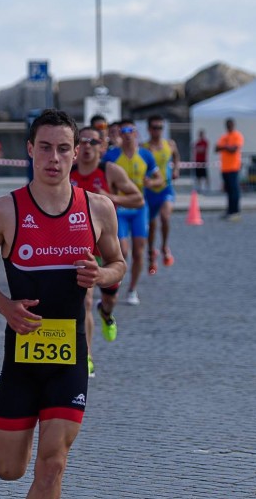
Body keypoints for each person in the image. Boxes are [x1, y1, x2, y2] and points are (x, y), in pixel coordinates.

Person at [0, 109, 125, 499]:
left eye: (64, 148)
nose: (54, 158)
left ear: (76, 152)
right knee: (10, 471)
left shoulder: (97, 207)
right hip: (21, 357)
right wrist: (6, 308)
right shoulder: (5, 210)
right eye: (45, 148)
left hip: (69, 357)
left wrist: (101, 278)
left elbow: (117, 262)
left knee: (52, 465)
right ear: (30, 150)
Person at [69, 125, 143, 378]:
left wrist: (110, 196)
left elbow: (138, 199)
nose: (87, 146)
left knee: (108, 300)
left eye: (93, 142)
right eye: (83, 141)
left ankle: (107, 313)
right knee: (85, 300)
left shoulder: (110, 171)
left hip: (107, 248)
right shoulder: (67, 172)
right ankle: (86, 357)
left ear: (102, 147)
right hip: (81, 247)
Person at [112, 120, 161, 306]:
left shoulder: (146, 155)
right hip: (119, 208)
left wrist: (152, 183)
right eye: (123, 131)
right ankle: (115, 280)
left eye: (130, 130)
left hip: (140, 208)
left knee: (139, 251)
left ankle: (132, 289)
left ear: (136, 133)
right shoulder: (112, 156)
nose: (127, 134)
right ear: (120, 135)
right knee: (123, 250)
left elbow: (159, 178)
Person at [142, 115, 181, 274]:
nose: (158, 131)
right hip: (150, 191)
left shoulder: (169, 144)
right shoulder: (143, 147)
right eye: (155, 127)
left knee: (165, 217)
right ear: (149, 129)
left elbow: (177, 157)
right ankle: (151, 253)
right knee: (151, 226)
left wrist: (176, 169)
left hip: (166, 189)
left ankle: (164, 245)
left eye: (160, 127)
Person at [216, 118, 245, 220]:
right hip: (225, 168)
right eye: (227, 125)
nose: (229, 126)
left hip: (234, 167)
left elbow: (233, 150)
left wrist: (224, 147)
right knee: (228, 191)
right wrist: (226, 147)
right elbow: (216, 148)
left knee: (234, 190)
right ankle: (229, 210)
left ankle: (236, 211)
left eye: (230, 124)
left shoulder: (237, 135)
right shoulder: (224, 136)